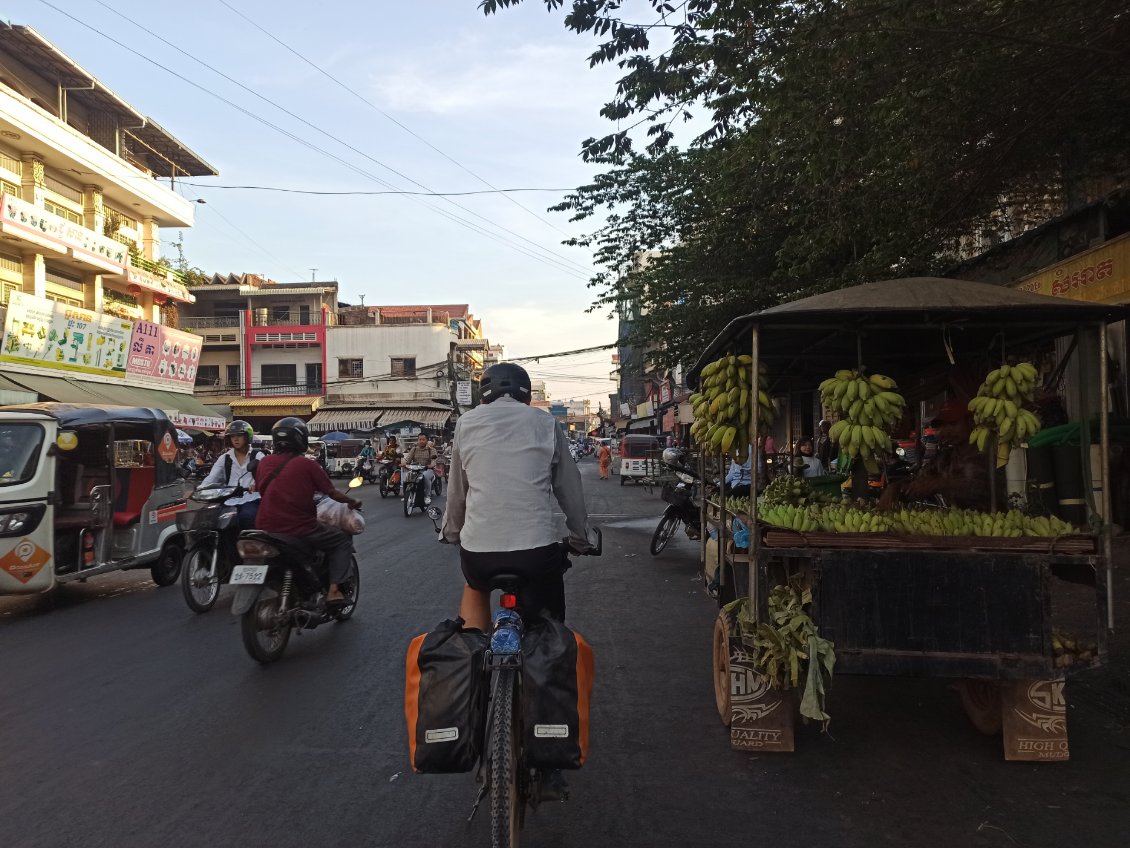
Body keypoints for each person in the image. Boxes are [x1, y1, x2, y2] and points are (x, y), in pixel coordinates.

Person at [441, 362, 595, 632]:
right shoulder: (546, 422)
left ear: (484, 395)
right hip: (535, 553)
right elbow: (569, 489)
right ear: (527, 396)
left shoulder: (465, 423)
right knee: (548, 627)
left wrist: (452, 533)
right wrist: (580, 539)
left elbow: (457, 491)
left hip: (478, 556)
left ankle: (471, 653)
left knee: (475, 586)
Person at [254, 417, 362, 606]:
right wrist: (352, 501)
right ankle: (334, 590)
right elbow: (332, 492)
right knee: (342, 540)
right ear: (300, 439)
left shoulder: (264, 463)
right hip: (300, 528)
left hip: (265, 527)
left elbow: (264, 491)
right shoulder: (308, 465)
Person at [878, 399, 990, 511]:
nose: (945, 431)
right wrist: (897, 486)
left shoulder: (988, 454)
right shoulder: (945, 457)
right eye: (942, 426)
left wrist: (938, 484)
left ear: (970, 422)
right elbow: (919, 479)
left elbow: (980, 487)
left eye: (952, 424)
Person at [198, 420, 265, 529]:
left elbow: (266, 477)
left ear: (247, 437)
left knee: (247, 517)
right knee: (212, 520)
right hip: (230, 500)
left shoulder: (258, 456)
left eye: (239, 435)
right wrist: (199, 490)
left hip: (252, 499)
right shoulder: (225, 458)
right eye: (232, 436)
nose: (235, 439)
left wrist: (258, 485)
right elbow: (212, 478)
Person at [401, 433, 439, 505]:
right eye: (420, 439)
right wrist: (404, 463)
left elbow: (434, 461)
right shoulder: (414, 449)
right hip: (415, 469)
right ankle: (406, 495)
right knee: (407, 477)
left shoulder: (431, 449)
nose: (421, 441)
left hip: (427, 470)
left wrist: (430, 465)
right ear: (418, 440)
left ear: (427, 440)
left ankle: (427, 496)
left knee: (425, 476)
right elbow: (408, 459)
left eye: (423, 439)